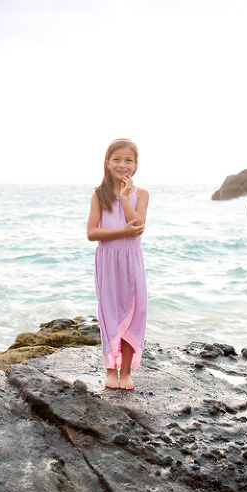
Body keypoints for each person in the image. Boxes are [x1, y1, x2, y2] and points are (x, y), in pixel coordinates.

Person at [87, 138, 149, 390]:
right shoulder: (98, 195)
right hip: (108, 260)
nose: (122, 164)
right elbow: (92, 233)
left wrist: (125, 198)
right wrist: (121, 230)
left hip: (132, 259)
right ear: (107, 163)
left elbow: (137, 227)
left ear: (135, 166)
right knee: (109, 314)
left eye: (128, 160)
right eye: (117, 159)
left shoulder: (141, 194)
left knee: (136, 314)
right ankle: (110, 370)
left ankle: (126, 372)